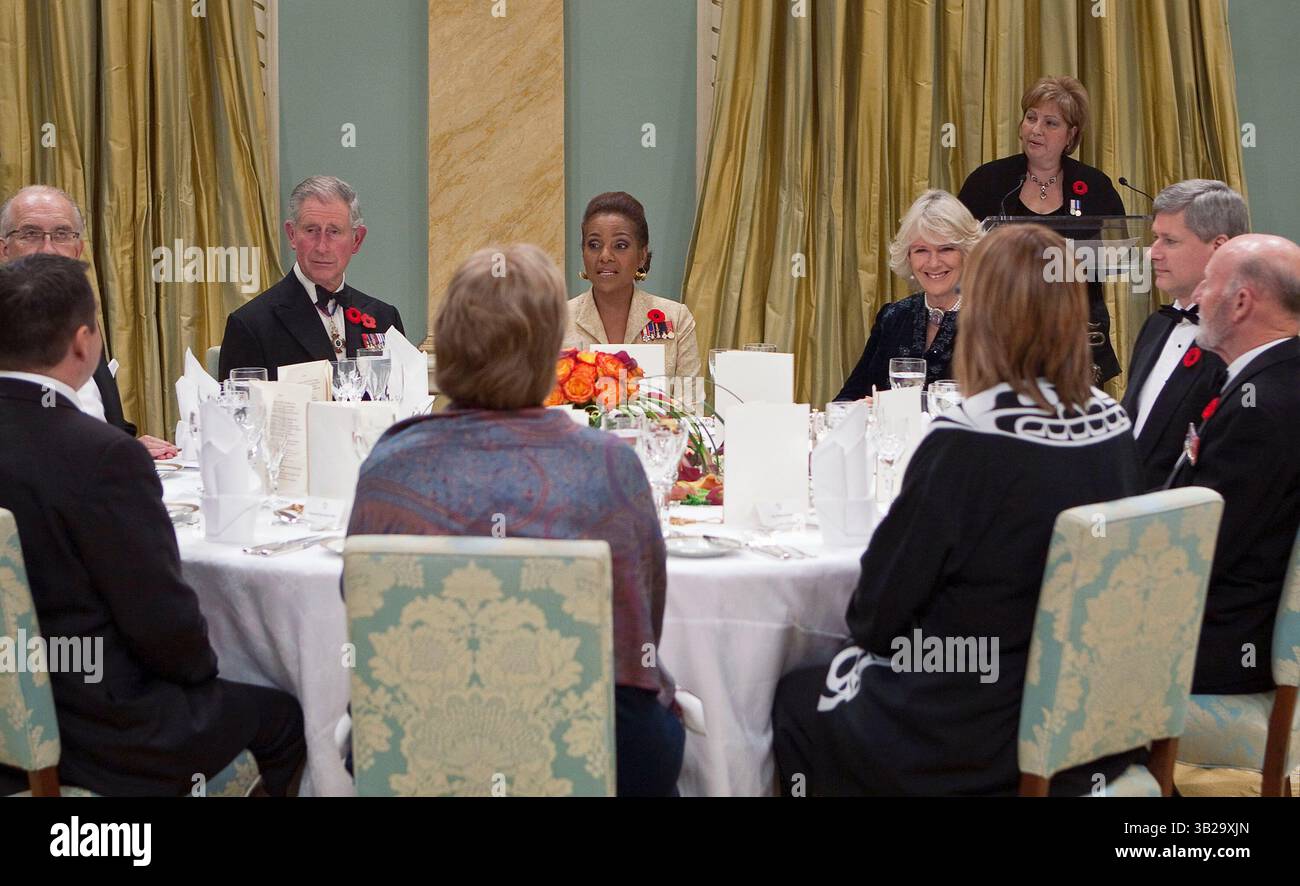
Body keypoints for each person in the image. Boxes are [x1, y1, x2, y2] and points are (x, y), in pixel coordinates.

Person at [772, 224, 1143, 796]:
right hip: (1093, 718)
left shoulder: (969, 437)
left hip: (976, 726)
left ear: (985, 313)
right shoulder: (1113, 424)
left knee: (795, 695)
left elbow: (876, 611)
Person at [349, 243, 684, 796]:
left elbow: (358, 607)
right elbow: (646, 623)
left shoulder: (389, 466)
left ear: (448, 344)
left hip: (416, 752)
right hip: (601, 754)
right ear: (552, 348)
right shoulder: (610, 466)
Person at [0, 254, 306, 796]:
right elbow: (165, 628)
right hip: (102, 733)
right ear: (84, 343)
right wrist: (211, 673)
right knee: (287, 713)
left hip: (15, 725)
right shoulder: (103, 457)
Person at [1170, 234, 1300, 694]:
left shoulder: (1261, 409)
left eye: (1208, 284)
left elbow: (1201, 551)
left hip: (1220, 644)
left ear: (1241, 302)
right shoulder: (1276, 378)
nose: (1198, 297)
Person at [957, 76, 1126, 383]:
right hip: (1000, 337)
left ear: (1071, 134)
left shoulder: (1094, 186)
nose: (1035, 129)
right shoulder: (988, 182)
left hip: (1076, 338)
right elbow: (958, 249)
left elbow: (1119, 255)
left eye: (1050, 123)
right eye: (1031, 117)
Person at [0, 185, 177, 459]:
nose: (48, 249)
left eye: (61, 234)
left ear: (77, 249)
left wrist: (126, 444)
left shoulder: (81, 316)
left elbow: (99, 416)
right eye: (30, 234)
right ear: (4, 249)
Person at [217, 175, 404, 381]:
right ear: (291, 235)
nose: (322, 247)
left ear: (356, 240)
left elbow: (403, 402)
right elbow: (238, 410)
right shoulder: (250, 325)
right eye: (311, 230)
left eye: (334, 231)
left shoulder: (385, 319)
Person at [1122, 180, 1245, 490]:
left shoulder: (1239, 340)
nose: (1153, 253)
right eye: (1154, 238)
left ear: (1219, 247)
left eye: (1170, 241)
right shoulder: (1156, 325)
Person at [835, 190, 981, 400]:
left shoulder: (993, 320)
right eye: (921, 250)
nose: (933, 263)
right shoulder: (894, 316)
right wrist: (861, 408)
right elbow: (847, 399)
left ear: (967, 253)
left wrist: (883, 406)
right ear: (908, 258)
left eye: (946, 249)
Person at [565, 192, 700, 378]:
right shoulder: (555, 321)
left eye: (620, 245)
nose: (605, 256)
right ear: (583, 252)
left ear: (642, 255)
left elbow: (691, 404)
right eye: (594, 245)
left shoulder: (676, 319)